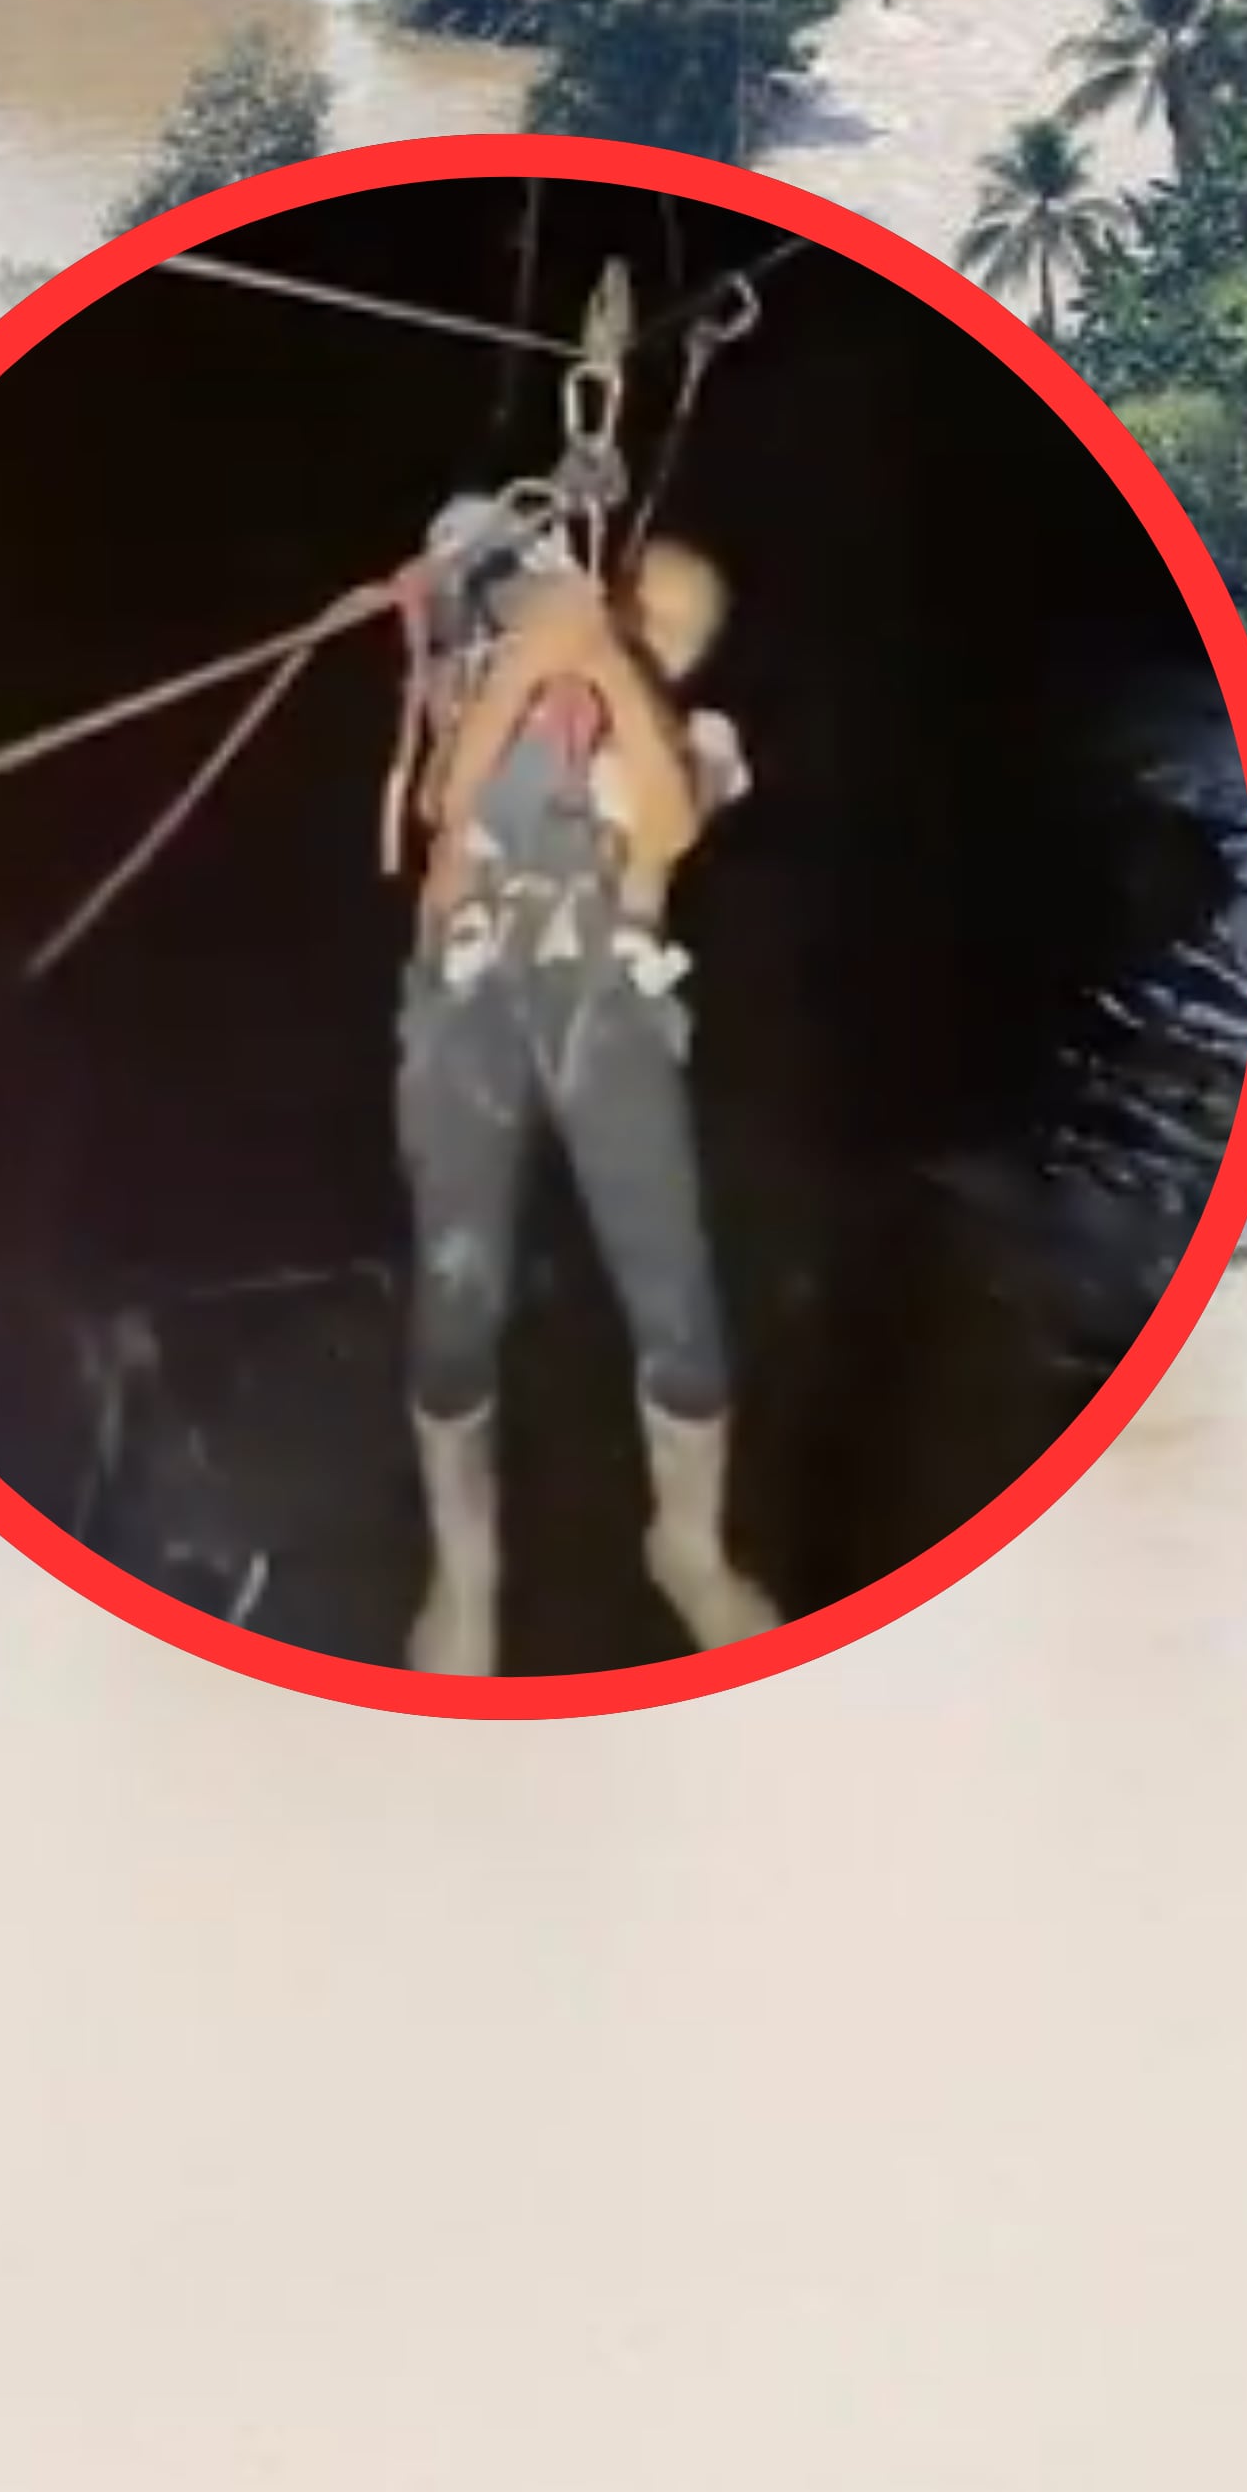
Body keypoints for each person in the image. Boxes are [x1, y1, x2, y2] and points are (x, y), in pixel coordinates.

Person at [386, 496, 773, 1678]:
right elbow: (445, 808)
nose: (636, 630)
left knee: (679, 1303)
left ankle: (689, 1545)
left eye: (666, 627)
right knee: (457, 1297)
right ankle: (466, 1569)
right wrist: (536, 659)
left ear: (692, 653)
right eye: (626, 605)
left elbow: (659, 829)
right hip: (470, 1008)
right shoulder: (494, 697)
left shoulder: (694, 739)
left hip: (610, 1012)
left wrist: (601, 661)